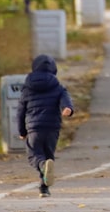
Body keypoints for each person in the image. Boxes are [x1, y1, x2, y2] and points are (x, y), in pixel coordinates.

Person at [17, 54, 74, 197]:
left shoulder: (27, 88)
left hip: (34, 128)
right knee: (49, 156)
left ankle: (43, 168)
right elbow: (66, 101)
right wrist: (68, 109)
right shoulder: (58, 87)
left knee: (34, 155)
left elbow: (20, 111)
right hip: (52, 128)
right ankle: (44, 188)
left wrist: (22, 131)